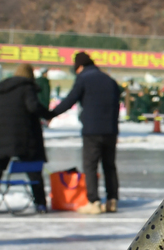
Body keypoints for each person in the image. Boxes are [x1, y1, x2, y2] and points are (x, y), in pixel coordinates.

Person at [48, 51, 121, 214]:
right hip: (110, 130)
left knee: (90, 165)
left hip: (92, 131)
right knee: (109, 166)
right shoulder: (109, 80)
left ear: (79, 66)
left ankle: (93, 201)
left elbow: (70, 100)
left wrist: (51, 114)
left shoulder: (83, 78)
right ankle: (112, 200)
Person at [0, 64, 54, 214]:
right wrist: (48, 114)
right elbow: (32, 107)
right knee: (33, 169)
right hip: (23, 136)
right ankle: (40, 203)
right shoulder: (27, 87)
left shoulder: (1, 89)